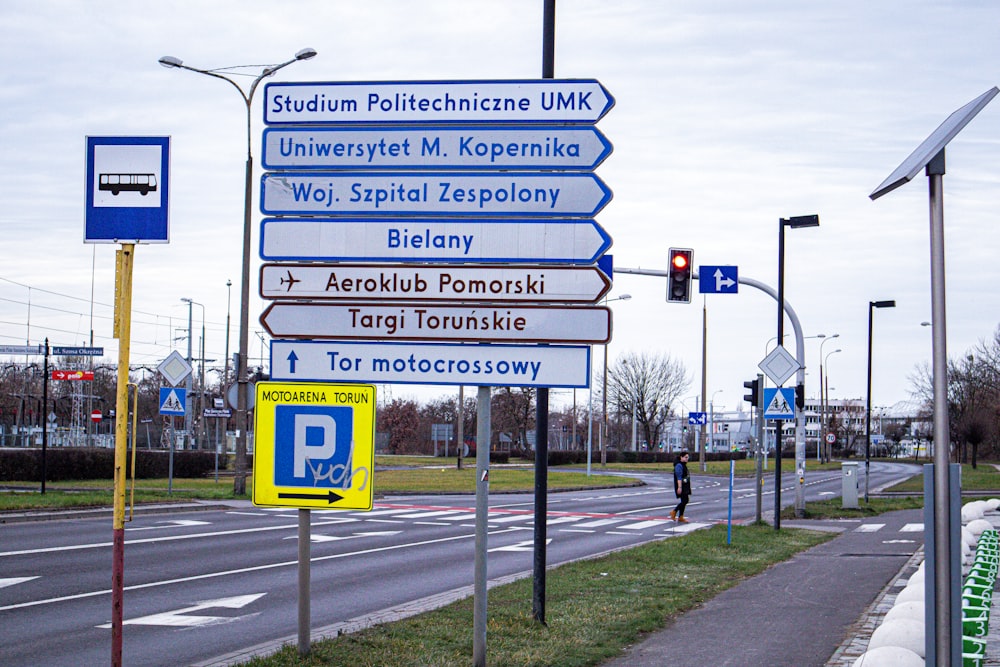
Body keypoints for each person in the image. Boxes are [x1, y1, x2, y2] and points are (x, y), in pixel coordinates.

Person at [669, 450, 691, 523]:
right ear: (681, 457)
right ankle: (674, 511)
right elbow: (679, 477)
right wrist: (679, 487)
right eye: (685, 457)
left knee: (684, 501)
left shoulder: (683, 465)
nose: (687, 459)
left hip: (685, 485)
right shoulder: (679, 465)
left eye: (687, 457)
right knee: (685, 500)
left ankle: (681, 516)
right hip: (681, 486)